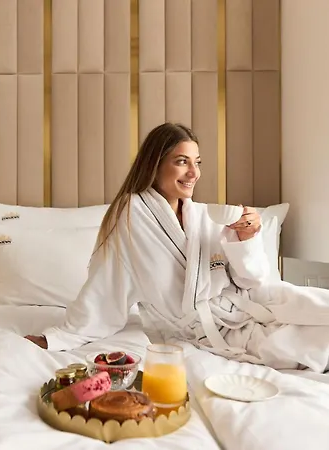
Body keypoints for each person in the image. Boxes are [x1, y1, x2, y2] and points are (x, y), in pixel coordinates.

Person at [26, 123, 329, 373]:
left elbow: (251, 280)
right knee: (309, 344)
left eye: (197, 162)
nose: (194, 172)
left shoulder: (203, 215)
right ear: (155, 164)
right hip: (216, 329)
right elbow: (105, 287)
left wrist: (247, 238)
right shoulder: (130, 217)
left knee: (317, 304)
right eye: (182, 161)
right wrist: (59, 337)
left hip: (254, 301)